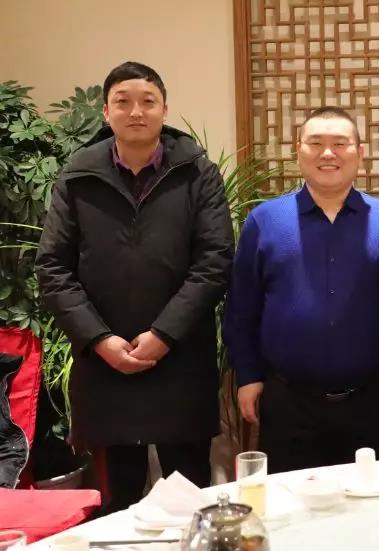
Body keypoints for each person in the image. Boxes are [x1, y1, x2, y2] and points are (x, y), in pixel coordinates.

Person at [35, 61, 234, 512]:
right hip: (105, 368)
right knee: (117, 506)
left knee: (190, 501)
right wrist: (100, 340)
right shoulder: (78, 176)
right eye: (123, 102)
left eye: (148, 101)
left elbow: (215, 261)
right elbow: (53, 268)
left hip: (180, 361)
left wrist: (163, 334)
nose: (136, 111)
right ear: (106, 112)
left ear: (165, 110)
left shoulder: (197, 173)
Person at [223, 105, 379, 473]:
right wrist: (247, 376)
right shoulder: (265, 220)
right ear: (298, 150)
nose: (328, 153)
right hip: (287, 402)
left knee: (366, 501)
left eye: (340, 144)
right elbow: (241, 308)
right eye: (315, 143)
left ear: (360, 153)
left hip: (368, 401)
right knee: (291, 503)